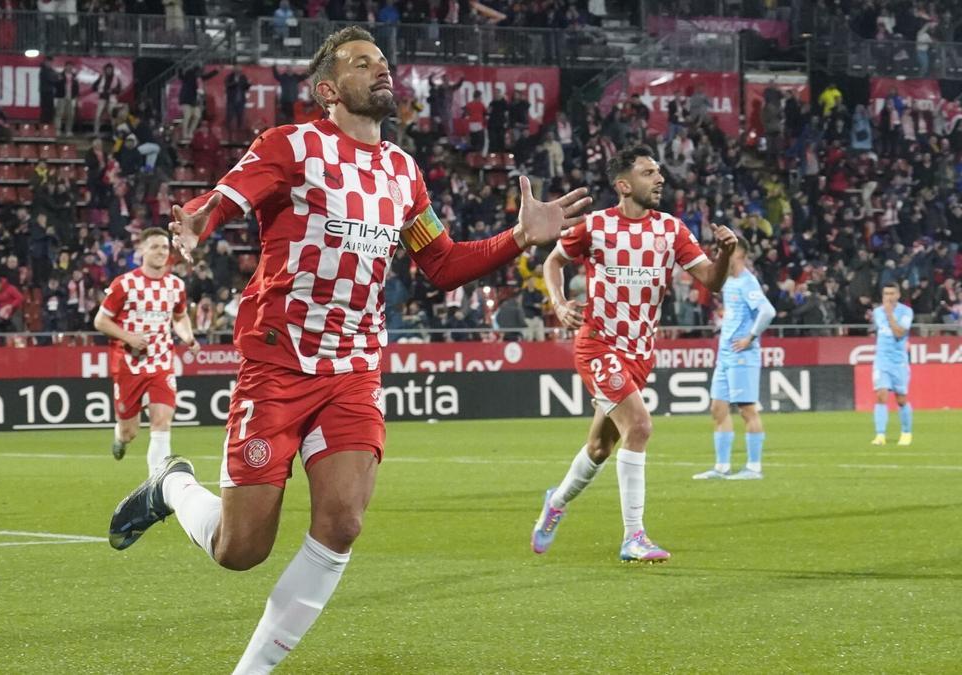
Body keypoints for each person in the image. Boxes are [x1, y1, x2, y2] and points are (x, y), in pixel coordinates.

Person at [105, 26, 590, 674]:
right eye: (363, 63)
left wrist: (517, 238)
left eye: (383, 61)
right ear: (329, 89)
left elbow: (440, 263)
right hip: (277, 365)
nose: (380, 70)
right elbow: (226, 196)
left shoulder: (403, 172)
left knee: (342, 523)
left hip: (354, 368)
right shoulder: (292, 145)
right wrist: (197, 221)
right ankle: (171, 486)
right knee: (239, 547)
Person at [532, 145, 737, 563]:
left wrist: (726, 254)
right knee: (640, 427)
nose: (659, 178)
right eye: (648, 172)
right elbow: (552, 263)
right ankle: (634, 537)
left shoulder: (672, 230)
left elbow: (711, 282)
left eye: (659, 171)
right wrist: (557, 303)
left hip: (641, 353)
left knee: (599, 449)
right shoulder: (595, 226)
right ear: (624, 185)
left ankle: (556, 503)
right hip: (599, 344)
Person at [93, 228, 199, 470]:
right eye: (154, 247)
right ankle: (120, 436)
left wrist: (188, 338)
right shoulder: (125, 284)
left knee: (162, 422)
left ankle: (157, 487)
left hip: (162, 361)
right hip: (129, 363)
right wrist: (128, 337)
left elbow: (180, 317)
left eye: (164, 247)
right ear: (142, 250)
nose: (161, 252)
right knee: (130, 432)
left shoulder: (176, 285)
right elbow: (100, 321)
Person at [693, 237, 776, 481]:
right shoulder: (729, 281)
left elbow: (768, 311)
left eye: (728, 252)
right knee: (718, 409)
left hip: (742, 355)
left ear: (739, 255)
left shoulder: (748, 282)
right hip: (725, 354)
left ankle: (754, 467)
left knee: (747, 410)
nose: (723, 256)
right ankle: (721, 467)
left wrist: (750, 337)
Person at [871, 281, 913, 446]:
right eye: (885, 294)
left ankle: (906, 432)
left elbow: (899, 333)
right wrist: (886, 313)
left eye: (891, 294)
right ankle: (880, 435)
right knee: (881, 395)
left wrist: (889, 315)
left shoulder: (906, 311)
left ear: (898, 295)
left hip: (899, 361)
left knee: (901, 399)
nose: (888, 297)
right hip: (882, 360)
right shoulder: (877, 312)